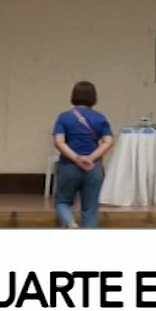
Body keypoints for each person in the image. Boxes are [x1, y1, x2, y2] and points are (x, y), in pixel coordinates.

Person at [52, 80, 114, 228]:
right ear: (93, 97)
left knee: (62, 202)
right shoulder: (100, 118)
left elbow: (59, 142)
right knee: (90, 208)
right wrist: (90, 158)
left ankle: (70, 223)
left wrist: (76, 158)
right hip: (93, 167)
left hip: (68, 166)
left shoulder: (64, 117)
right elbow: (108, 141)